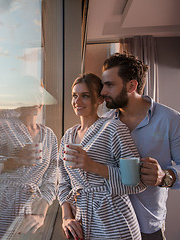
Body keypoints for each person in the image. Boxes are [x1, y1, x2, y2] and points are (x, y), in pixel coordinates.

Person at [101, 52, 180, 239]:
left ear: (132, 85)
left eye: (109, 85)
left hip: (148, 227)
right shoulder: (103, 123)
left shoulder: (172, 121)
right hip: (109, 225)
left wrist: (164, 176)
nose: (102, 92)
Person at [0, 77, 58, 240]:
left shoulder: (49, 136)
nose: (36, 101)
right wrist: (14, 161)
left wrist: (41, 212)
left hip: (30, 213)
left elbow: (51, 179)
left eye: (39, 95)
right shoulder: (2, 127)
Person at [58, 73, 146, 240]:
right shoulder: (68, 137)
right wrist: (66, 217)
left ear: (99, 99)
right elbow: (62, 182)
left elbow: (136, 182)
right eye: (74, 96)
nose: (77, 101)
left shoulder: (114, 129)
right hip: (82, 221)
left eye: (85, 96)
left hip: (114, 222)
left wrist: (92, 166)